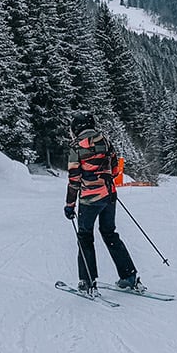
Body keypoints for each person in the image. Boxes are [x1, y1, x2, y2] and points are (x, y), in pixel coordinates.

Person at [63, 110, 138, 290]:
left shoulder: (76, 147)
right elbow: (114, 170)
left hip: (90, 199)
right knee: (110, 233)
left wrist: (69, 204)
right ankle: (129, 276)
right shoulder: (105, 141)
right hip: (110, 196)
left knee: (85, 236)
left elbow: (74, 179)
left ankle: (87, 281)